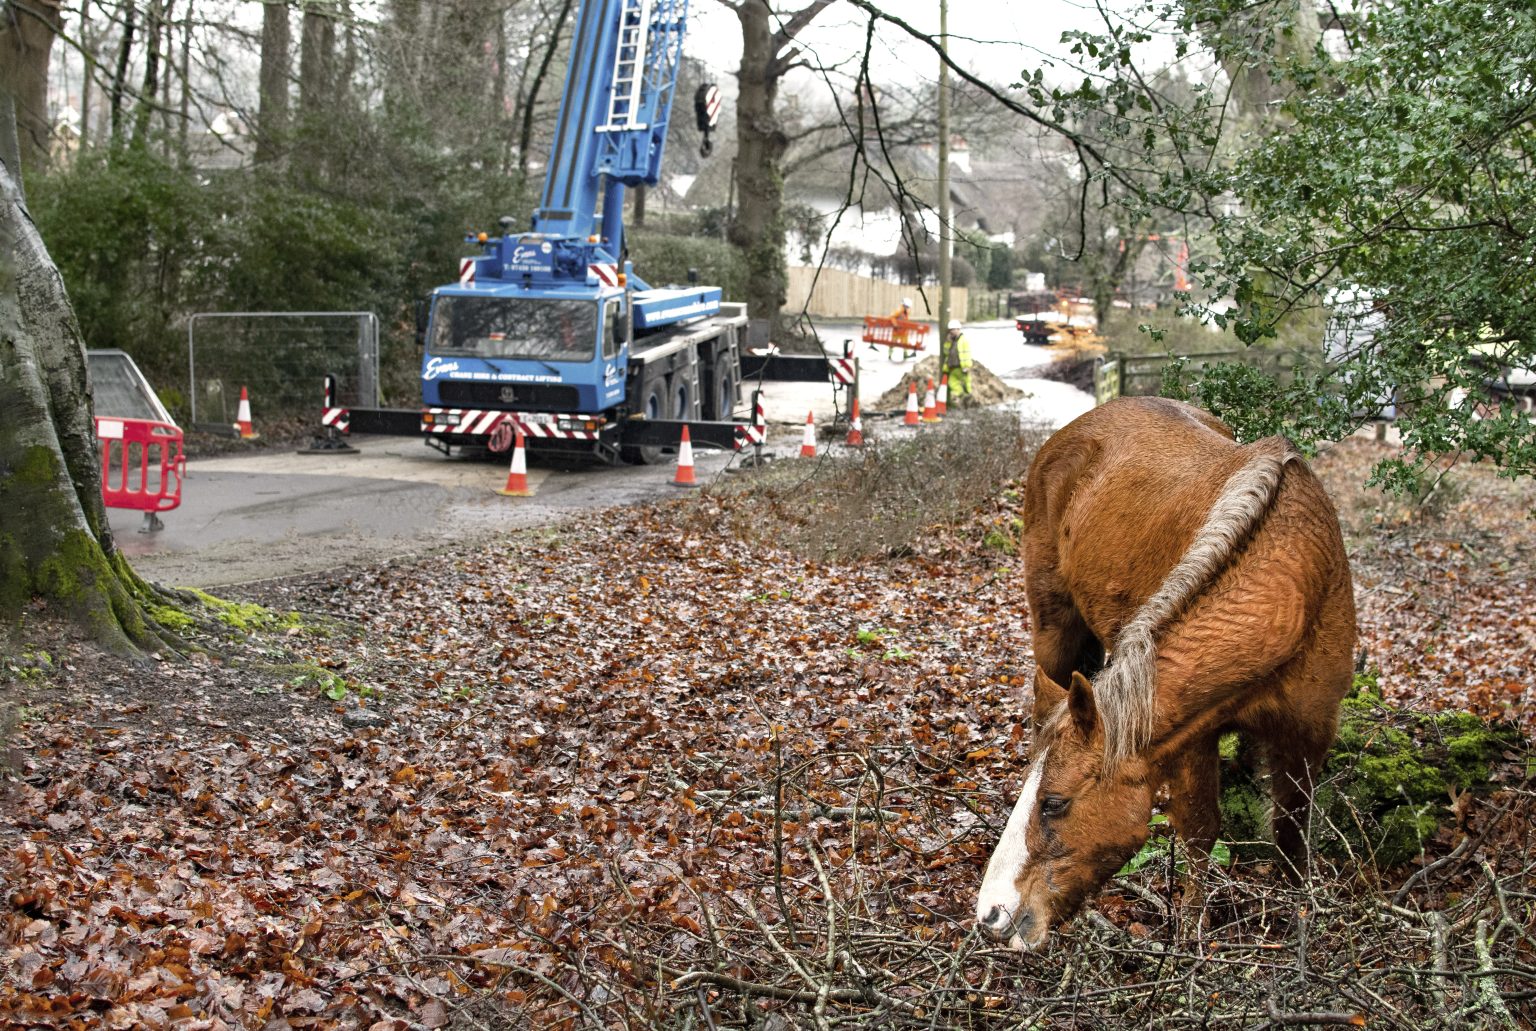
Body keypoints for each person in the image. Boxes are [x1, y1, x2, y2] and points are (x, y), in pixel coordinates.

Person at [943, 318, 973, 401]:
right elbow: (946, 352)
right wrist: (948, 342)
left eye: (953, 329)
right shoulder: (951, 341)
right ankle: (961, 395)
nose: (952, 332)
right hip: (953, 368)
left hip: (962, 367)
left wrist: (966, 366)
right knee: (952, 382)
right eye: (950, 330)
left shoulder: (963, 340)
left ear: (958, 329)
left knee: (967, 384)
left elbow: (966, 353)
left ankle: (970, 399)